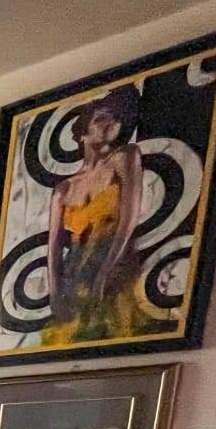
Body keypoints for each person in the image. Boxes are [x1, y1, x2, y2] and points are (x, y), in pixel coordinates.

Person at [42, 85, 145, 346]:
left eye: (116, 118)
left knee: (116, 332)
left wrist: (105, 271)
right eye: (101, 118)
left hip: (115, 263)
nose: (112, 123)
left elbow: (128, 220)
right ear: (82, 134)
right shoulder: (64, 189)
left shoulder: (125, 157)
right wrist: (54, 293)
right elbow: (54, 247)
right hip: (75, 274)